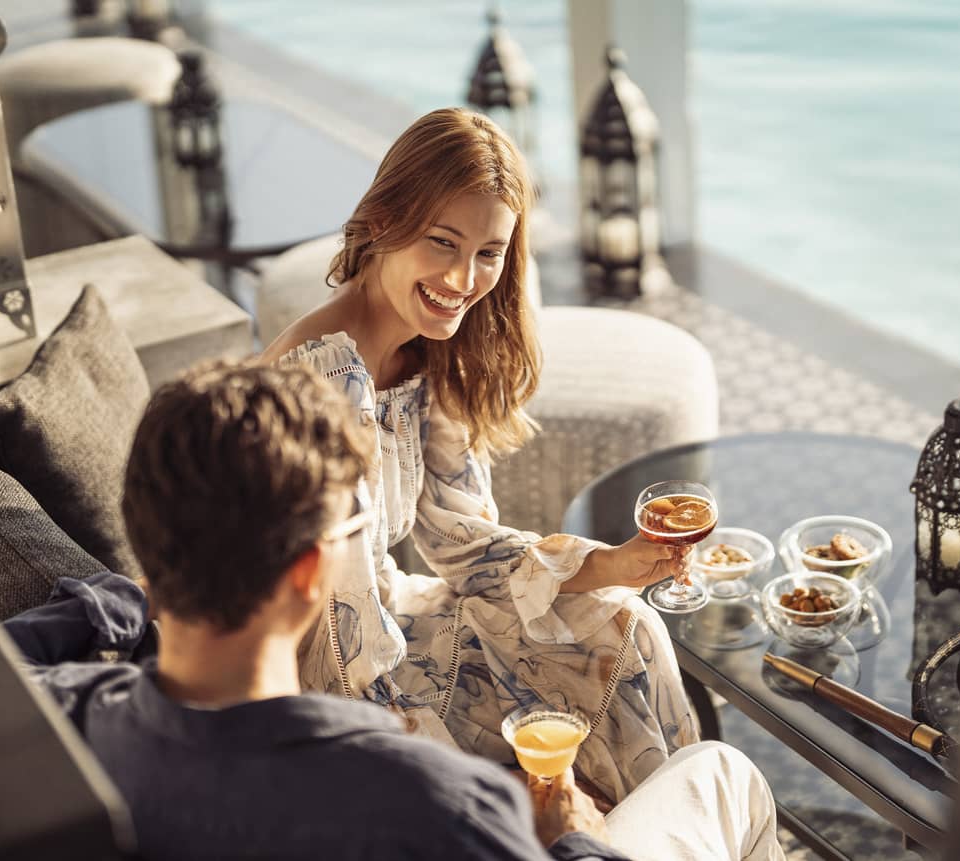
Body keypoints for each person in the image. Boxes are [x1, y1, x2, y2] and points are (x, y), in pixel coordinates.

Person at [6, 360, 782, 860]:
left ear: (147, 540)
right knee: (721, 770)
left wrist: (117, 600)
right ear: (315, 569)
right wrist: (574, 838)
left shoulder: (57, 723)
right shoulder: (434, 804)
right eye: (354, 529)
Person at [259, 107, 696, 801]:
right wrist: (429, 760)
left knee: (628, 624)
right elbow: (340, 640)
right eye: (442, 242)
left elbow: (461, 544)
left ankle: (668, 828)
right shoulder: (323, 380)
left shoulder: (425, 351)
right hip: (320, 671)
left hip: (390, 625)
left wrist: (609, 564)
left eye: (488, 253)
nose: (464, 279)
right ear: (381, 222)